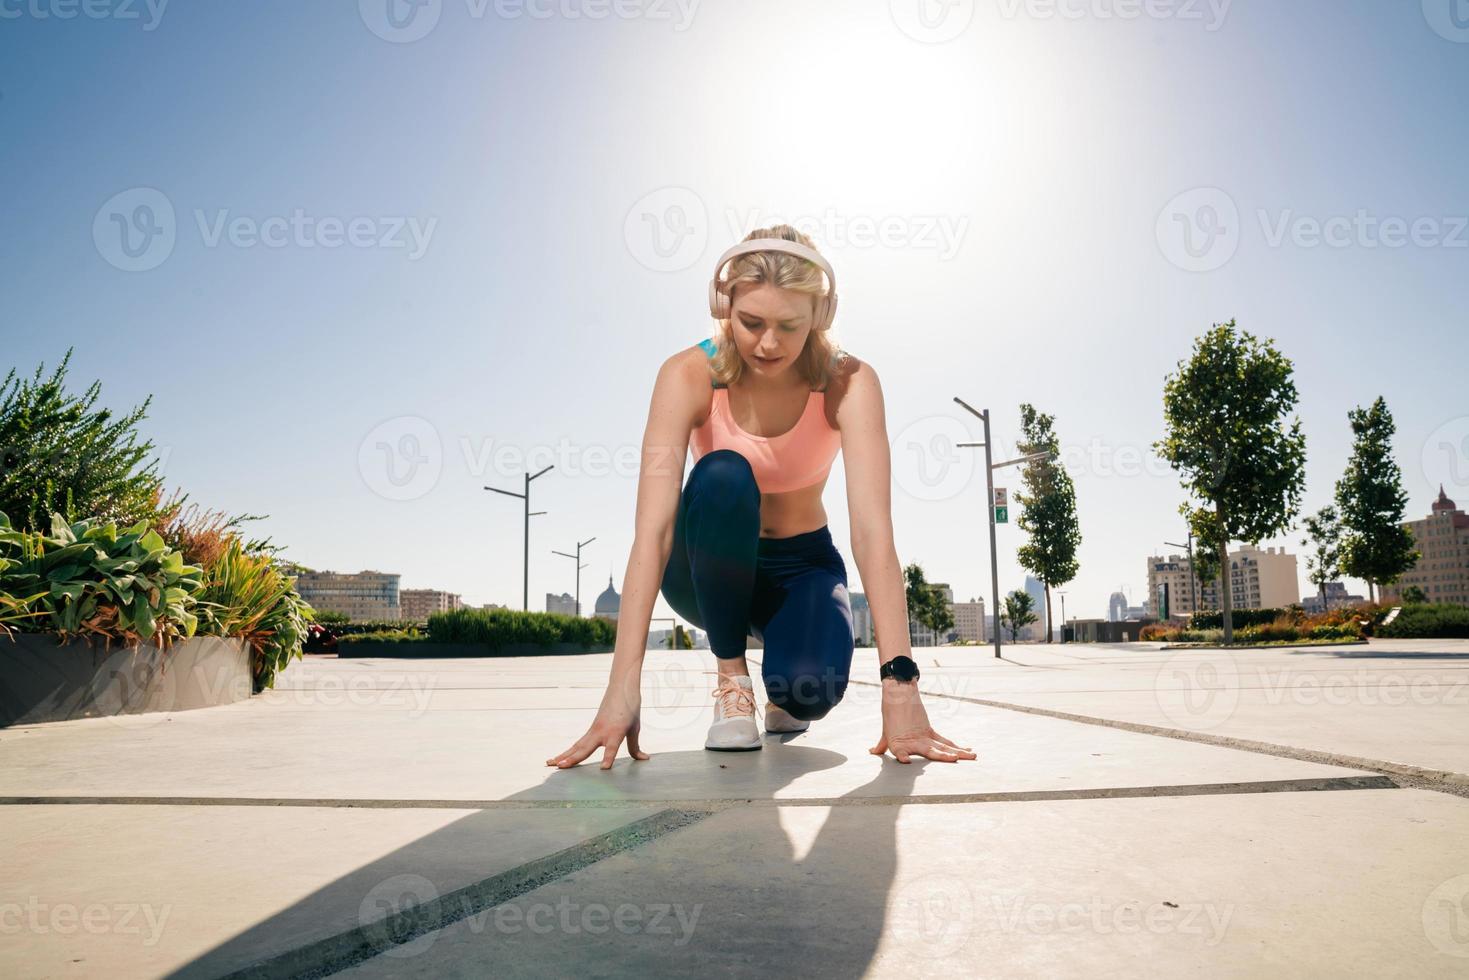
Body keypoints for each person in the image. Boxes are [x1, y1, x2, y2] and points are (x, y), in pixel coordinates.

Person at [546, 225, 977, 770]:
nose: (767, 344)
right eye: (751, 323)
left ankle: (782, 689)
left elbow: (872, 534)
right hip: (705, 570)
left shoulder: (851, 382)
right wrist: (621, 690)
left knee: (808, 689)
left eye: (788, 326)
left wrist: (901, 687)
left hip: (803, 566)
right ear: (723, 306)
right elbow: (653, 532)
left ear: (820, 317)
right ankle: (732, 681)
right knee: (724, 474)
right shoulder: (686, 375)